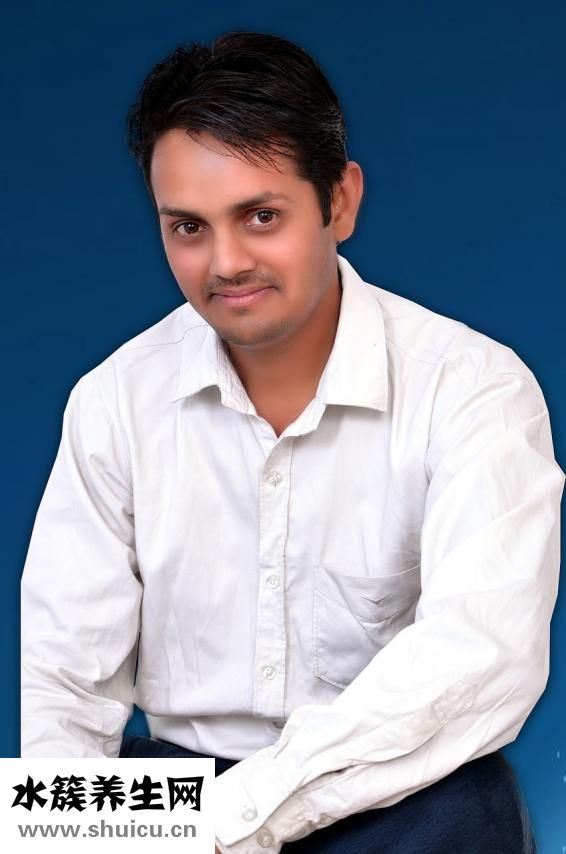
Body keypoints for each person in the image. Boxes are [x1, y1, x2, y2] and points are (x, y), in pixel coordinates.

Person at [21, 31, 564, 854]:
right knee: (50, 809)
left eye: (261, 216)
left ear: (340, 201)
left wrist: (243, 816)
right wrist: (74, 839)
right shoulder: (114, 401)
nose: (225, 262)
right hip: (179, 788)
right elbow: (66, 675)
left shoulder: (472, 387)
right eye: (188, 227)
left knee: (470, 803)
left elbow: (482, 656)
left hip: (393, 793)